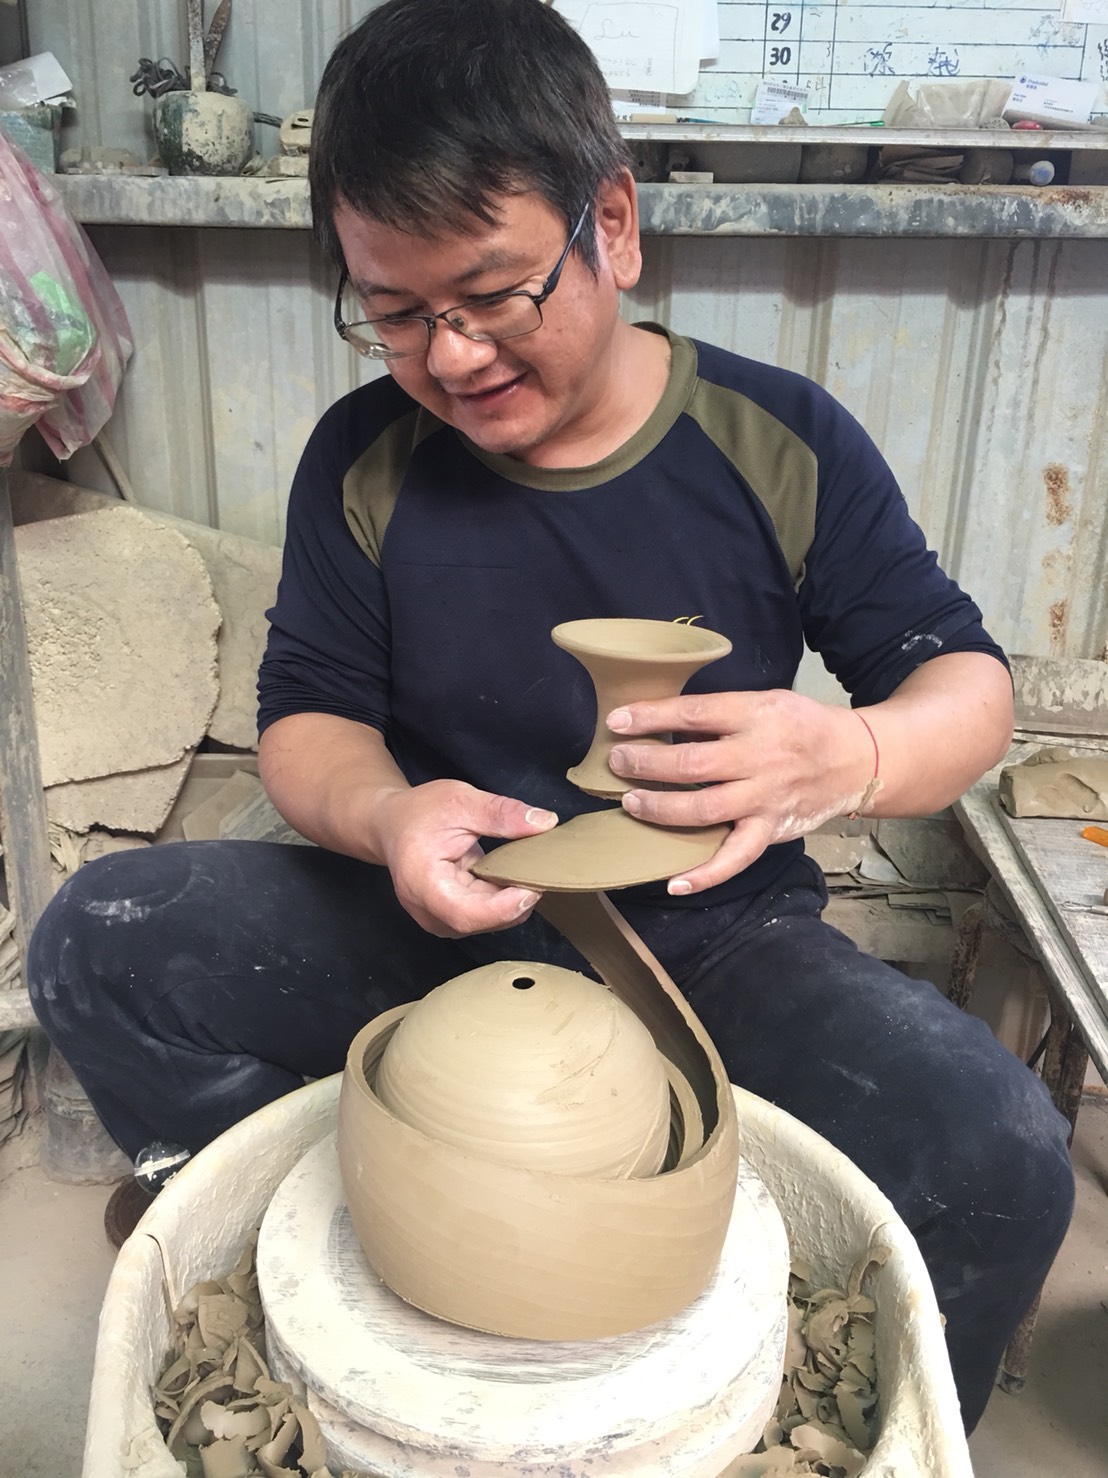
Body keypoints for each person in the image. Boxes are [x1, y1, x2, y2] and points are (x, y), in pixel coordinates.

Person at [30, 0, 1072, 1433]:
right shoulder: (367, 457)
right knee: (99, 940)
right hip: (436, 915)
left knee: (1003, 1151)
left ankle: (805, 1419)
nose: (452, 355)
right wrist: (390, 814)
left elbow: (970, 687)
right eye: (397, 313)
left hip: (715, 942)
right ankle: (327, 1245)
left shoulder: (775, 442)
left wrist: (853, 753)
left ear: (614, 227)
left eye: (494, 294)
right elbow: (308, 719)